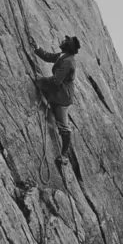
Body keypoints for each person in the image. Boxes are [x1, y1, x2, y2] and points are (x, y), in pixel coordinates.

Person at [33, 35, 81, 165]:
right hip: (58, 93)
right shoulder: (63, 55)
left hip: (62, 98)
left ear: (68, 46)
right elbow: (49, 57)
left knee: (64, 128)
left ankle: (64, 155)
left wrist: (42, 80)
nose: (63, 41)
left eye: (65, 41)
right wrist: (37, 49)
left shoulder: (68, 62)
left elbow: (56, 80)